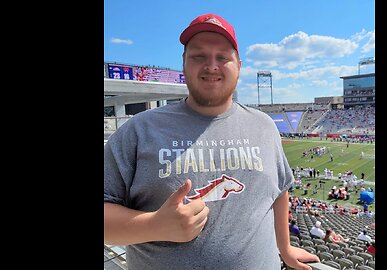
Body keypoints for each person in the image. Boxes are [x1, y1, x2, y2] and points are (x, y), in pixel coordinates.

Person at [104, 13, 319, 270]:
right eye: (199, 56)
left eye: (222, 57)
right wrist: (154, 225)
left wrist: (284, 247)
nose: (212, 66)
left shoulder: (264, 126)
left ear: (238, 65)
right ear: (184, 63)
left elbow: (279, 190)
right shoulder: (138, 130)